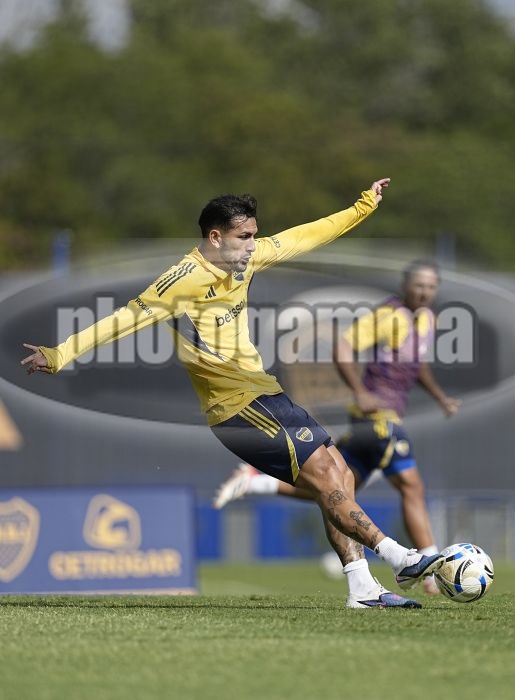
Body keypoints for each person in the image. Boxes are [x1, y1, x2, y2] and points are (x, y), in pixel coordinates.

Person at [21, 177, 443, 609]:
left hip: (265, 393)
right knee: (326, 474)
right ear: (215, 237)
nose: (251, 245)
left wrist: (362, 206)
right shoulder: (182, 280)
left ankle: (363, 588)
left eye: (254, 236)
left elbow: (306, 235)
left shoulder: (246, 259)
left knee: (341, 474)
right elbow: (123, 320)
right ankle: (401, 557)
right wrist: (59, 354)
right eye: (244, 237)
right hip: (236, 409)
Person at [213, 260, 460, 594]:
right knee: (411, 485)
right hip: (377, 419)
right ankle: (431, 571)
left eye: (430, 286)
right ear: (405, 285)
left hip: (385, 418)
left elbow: (418, 364)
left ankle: (258, 483)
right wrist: (360, 391)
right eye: (419, 285)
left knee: (335, 489)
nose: (424, 292)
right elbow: (342, 348)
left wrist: (440, 398)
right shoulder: (389, 315)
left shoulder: (428, 319)